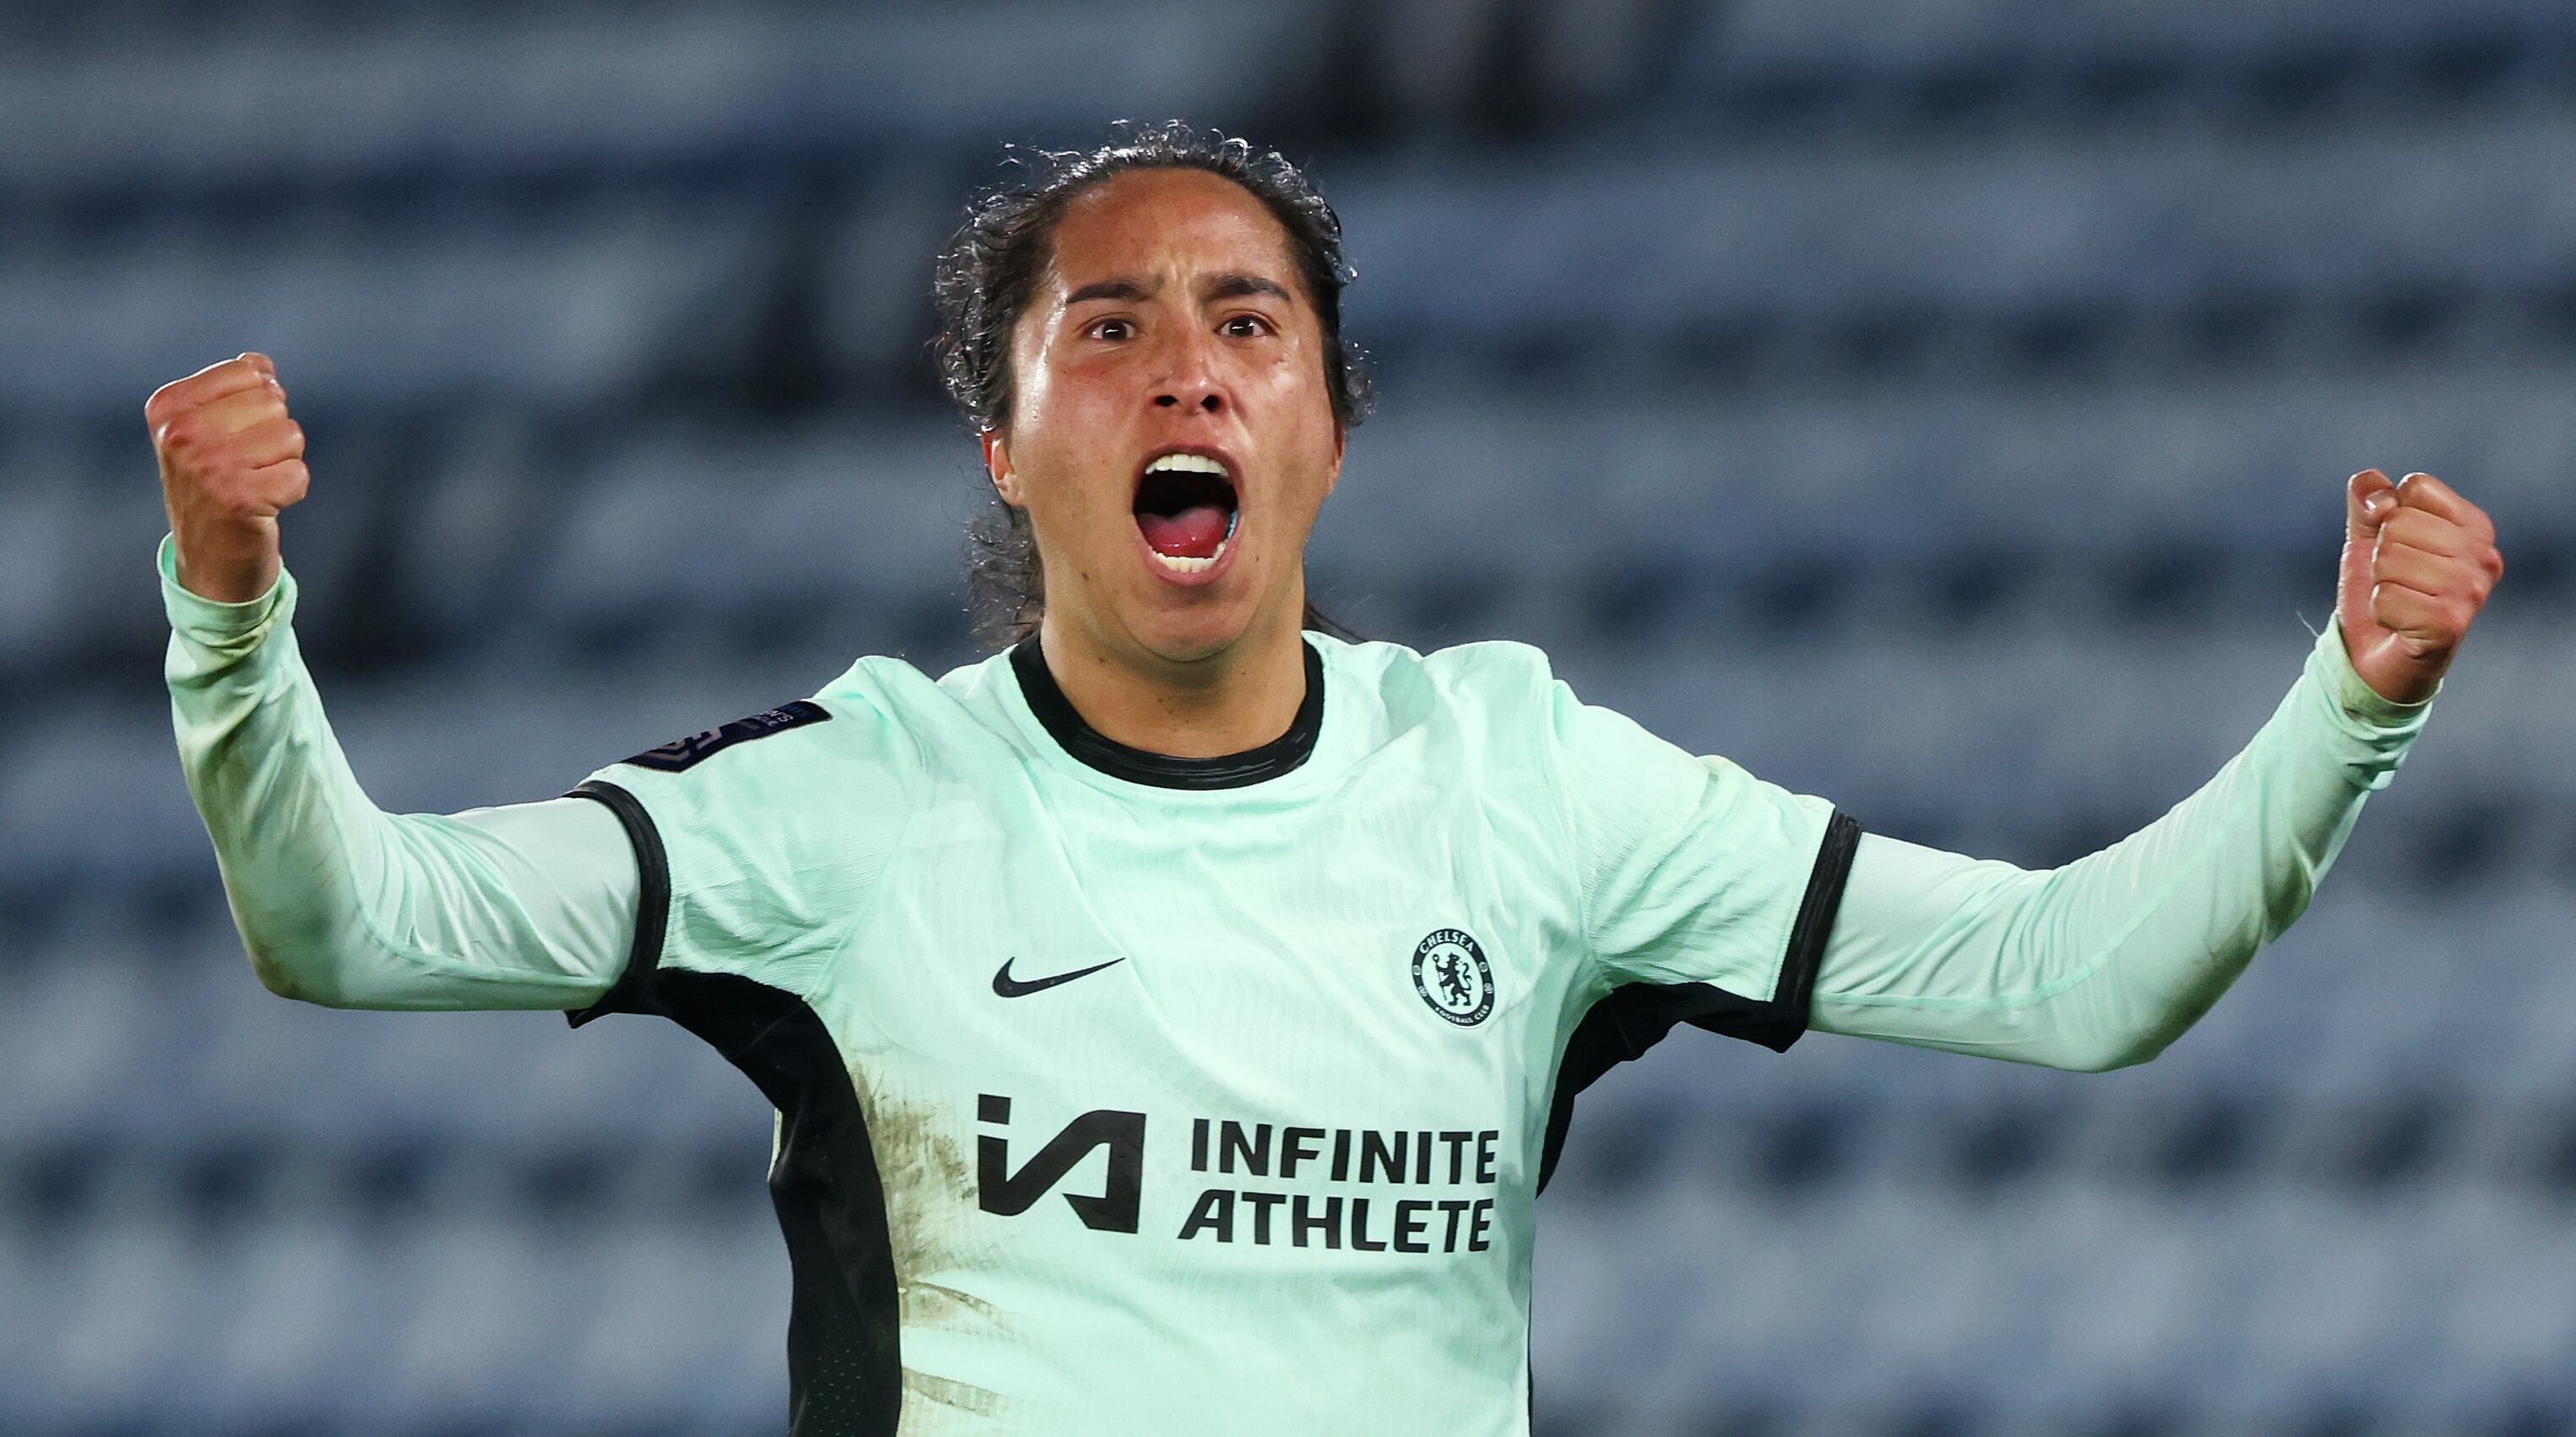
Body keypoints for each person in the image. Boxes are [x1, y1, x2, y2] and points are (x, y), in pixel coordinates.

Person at [151, 123, 2503, 1436]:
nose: (1186, 370)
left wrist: (2350, 702)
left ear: (1328, 429)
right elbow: (348, 923)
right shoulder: (839, 805)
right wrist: (235, 612)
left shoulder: (1524, 788)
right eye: (1112, 328)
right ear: (1007, 441)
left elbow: (2062, 980)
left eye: (1245, 324)